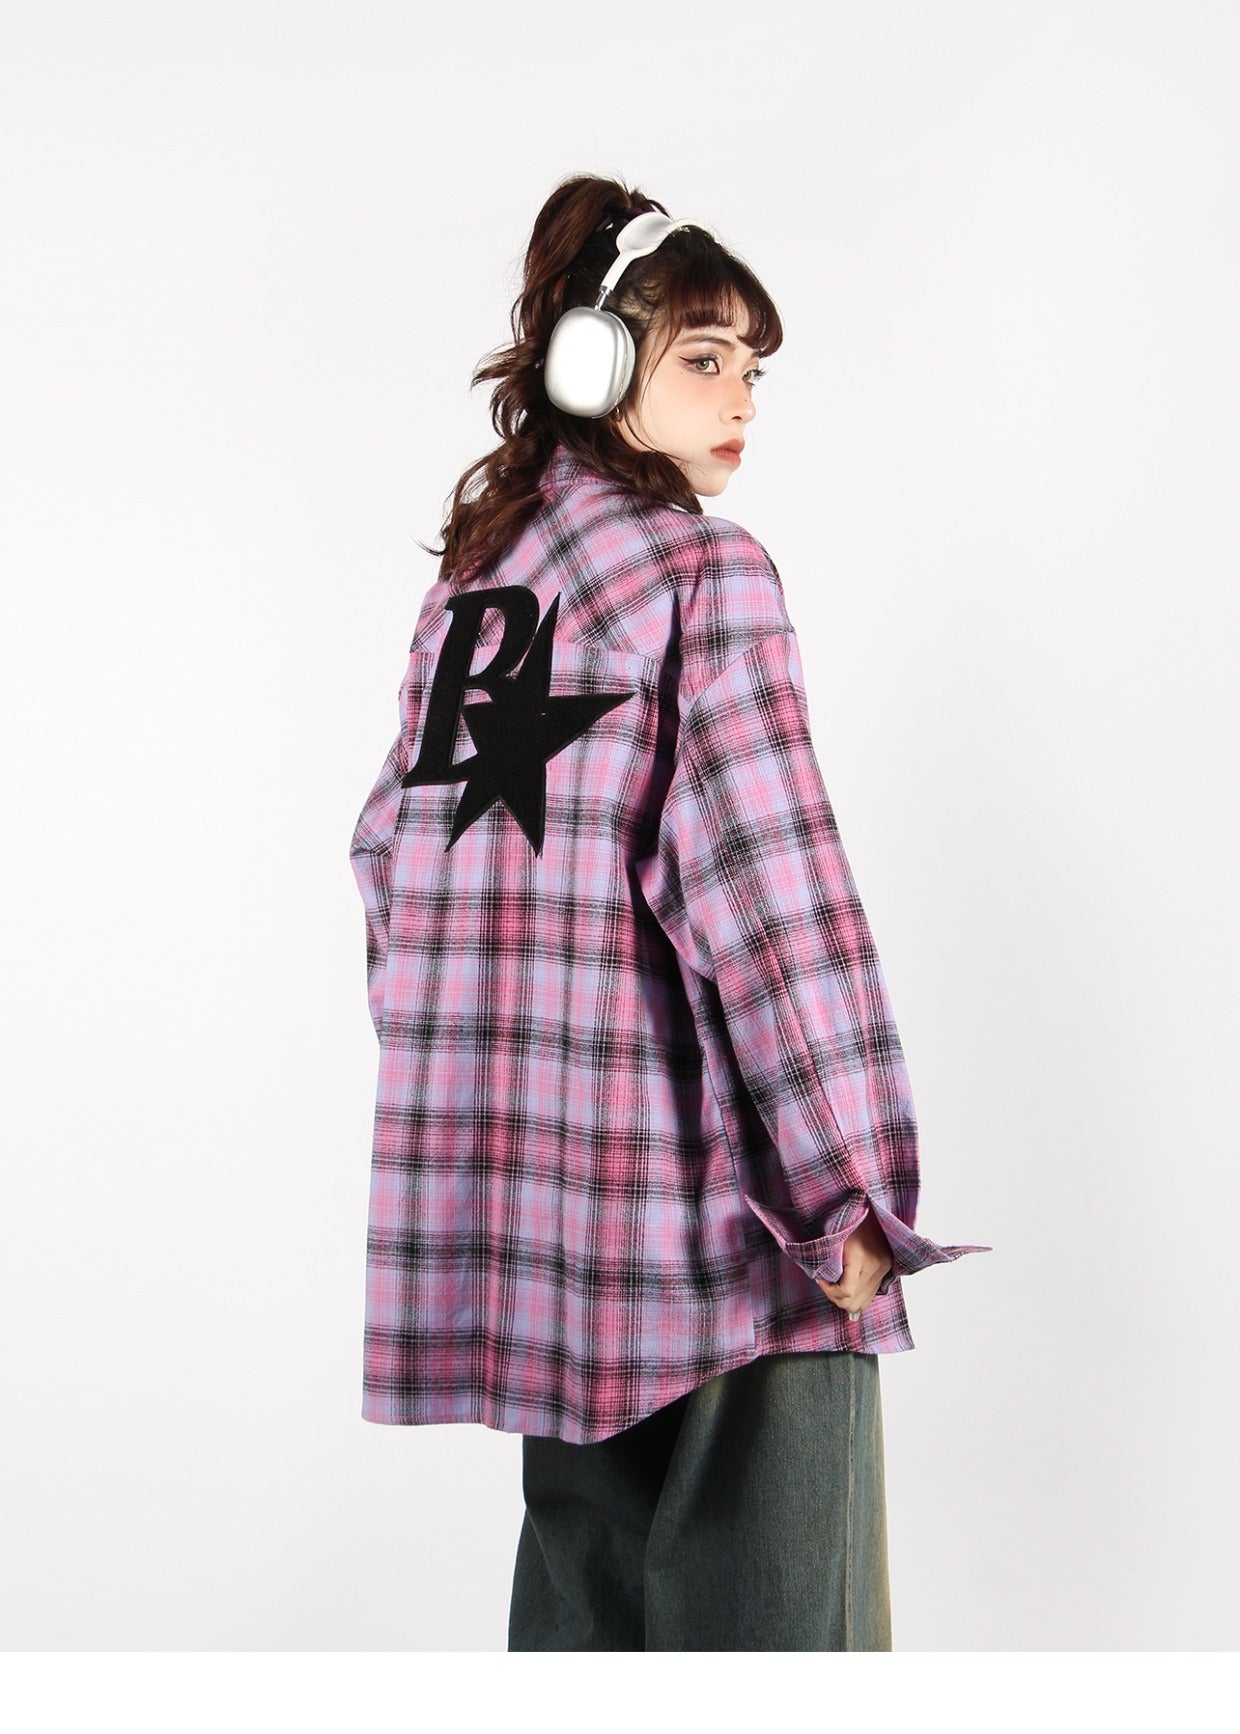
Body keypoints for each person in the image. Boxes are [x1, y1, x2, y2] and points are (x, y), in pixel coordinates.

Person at [348, 173, 990, 1651]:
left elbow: (388, 860)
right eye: (704, 357)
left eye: (753, 366)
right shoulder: (706, 573)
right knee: (783, 1643)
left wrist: (490, 1090)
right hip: (725, 1232)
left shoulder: (480, 589)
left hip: (547, 1236)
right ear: (596, 364)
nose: (741, 396)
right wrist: (847, 1187)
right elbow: (772, 896)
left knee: (585, 1631)